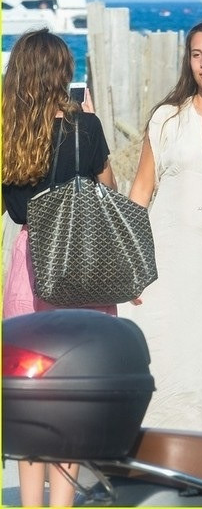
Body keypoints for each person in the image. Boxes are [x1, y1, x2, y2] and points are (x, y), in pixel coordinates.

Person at [2, 28, 117, 506]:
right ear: (62, 73)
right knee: (70, 397)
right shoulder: (84, 127)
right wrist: (87, 122)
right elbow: (110, 192)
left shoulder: (8, 131)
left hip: (30, 263)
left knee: (31, 396)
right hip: (79, 261)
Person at [124, 20, 202, 433]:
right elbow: (141, 191)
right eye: (196, 55)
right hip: (163, 263)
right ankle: (145, 453)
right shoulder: (167, 118)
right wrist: (131, 264)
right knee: (159, 357)